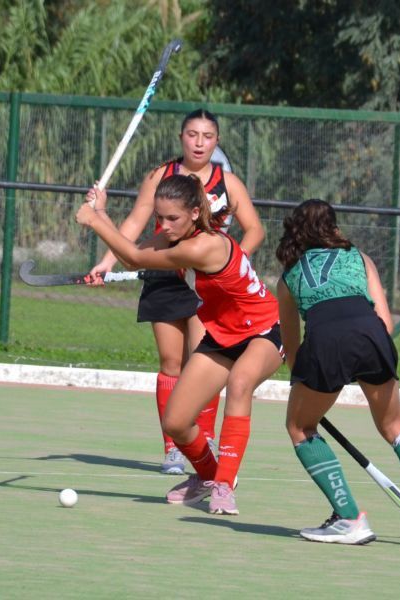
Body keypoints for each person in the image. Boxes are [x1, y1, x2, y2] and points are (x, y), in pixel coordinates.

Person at [275, 199, 400, 545]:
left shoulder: (288, 277)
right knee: (395, 426)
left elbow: (292, 346)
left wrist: (306, 383)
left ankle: (350, 518)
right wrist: (362, 357)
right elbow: (385, 323)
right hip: (372, 335)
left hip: (325, 342)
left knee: (299, 426)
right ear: (334, 228)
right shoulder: (360, 257)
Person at [77, 174, 282, 515]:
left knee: (240, 383)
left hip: (262, 331)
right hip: (223, 336)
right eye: (160, 218)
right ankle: (207, 476)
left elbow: (137, 259)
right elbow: (132, 255)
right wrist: (103, 213)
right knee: (176, 422)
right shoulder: (177, 237)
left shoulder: (204, 245)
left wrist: (95, 221)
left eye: (172, 218)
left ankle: (225, 486)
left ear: (194, 212)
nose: (165, 225)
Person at [88, 110, 265, 476]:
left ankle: (206, 438)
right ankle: (173, 449)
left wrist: (230, 264)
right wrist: (106, 262)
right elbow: (137, 222)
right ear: (181, 137)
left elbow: (254, 230)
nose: (199, 143)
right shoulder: (160, 176)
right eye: (192, 134)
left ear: (217, 140)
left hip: (209, 287)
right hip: (167, 277)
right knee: (171, 363)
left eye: (208, 136)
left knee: (205, 361)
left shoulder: (228, 183)